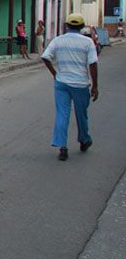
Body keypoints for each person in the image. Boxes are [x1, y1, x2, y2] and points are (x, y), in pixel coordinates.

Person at [40, 13, 99, 161]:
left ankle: (62, 147)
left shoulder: (58, 41)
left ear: (67, 26)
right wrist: (95, 85)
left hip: (62, 83)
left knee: (62, 114)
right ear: (81, 26)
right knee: (81, 114)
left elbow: (45, 56)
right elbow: (92, 64)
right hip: (80, 84)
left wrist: (54, 73)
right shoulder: (88, 42)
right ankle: (84, 140)